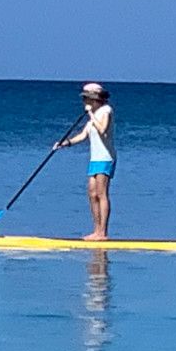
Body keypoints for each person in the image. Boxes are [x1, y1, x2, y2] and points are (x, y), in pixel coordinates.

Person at [54, 82, 116, 240]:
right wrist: (64, 144)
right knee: (92, 193)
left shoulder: (106, 111)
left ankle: (103, 232)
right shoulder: (91, 121)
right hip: (94, 159)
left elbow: (102, 130)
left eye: (87, 100)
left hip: (105, 158)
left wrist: (91, 115)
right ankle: (96, 230)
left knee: (102, 194)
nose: (85, 103)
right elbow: (82, 136)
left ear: (95, 100)